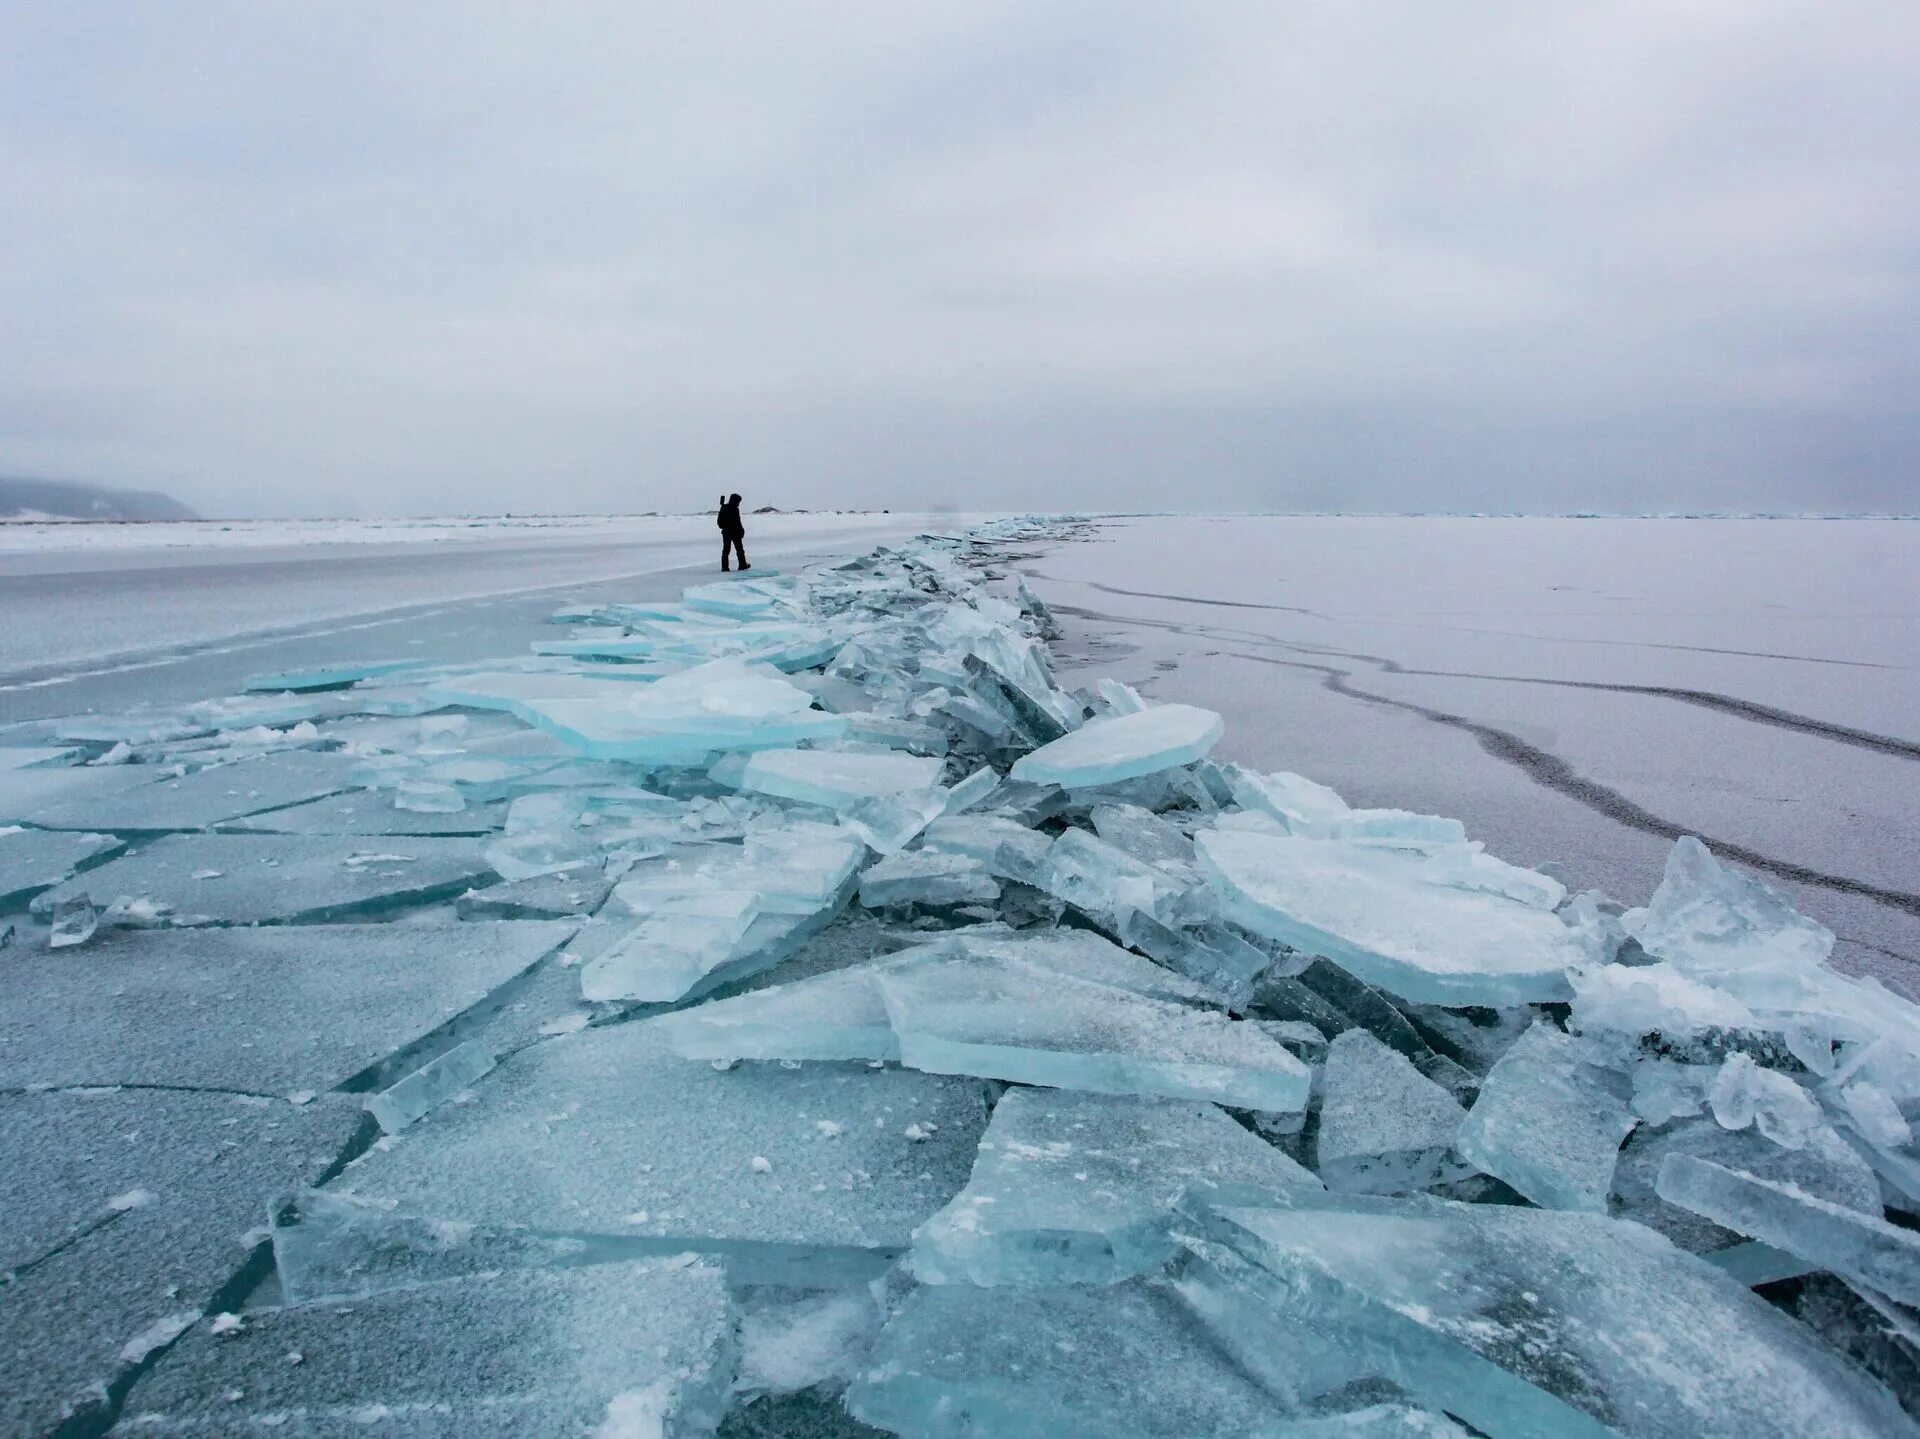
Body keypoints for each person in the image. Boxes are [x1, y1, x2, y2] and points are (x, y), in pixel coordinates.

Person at [717, 492, 749, 572]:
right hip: (734, 532)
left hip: (728, 532)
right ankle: (742, 564)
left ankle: (725, 567)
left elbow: (720, 521)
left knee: (727, 550)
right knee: (738, 550)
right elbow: (737, 522)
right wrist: (741, 530)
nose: (739, 503)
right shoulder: (734, 509)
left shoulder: (725, 508)